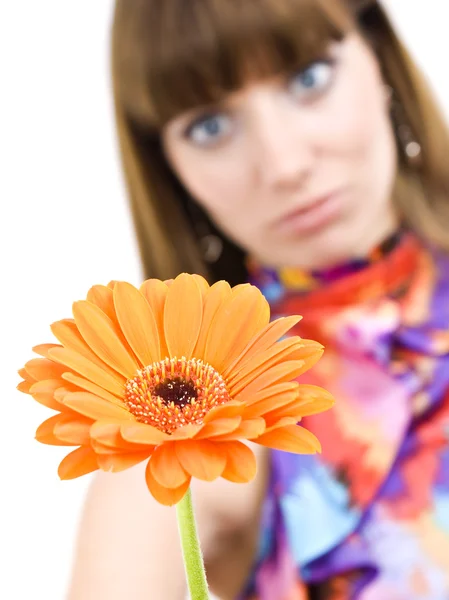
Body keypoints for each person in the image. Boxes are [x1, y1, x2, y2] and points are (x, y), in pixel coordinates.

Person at [68, 0, 449, 598]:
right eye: (210, 126)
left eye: (308, 78)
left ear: (378, 57)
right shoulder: (209, 426)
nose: (285, 163)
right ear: (168, 168)